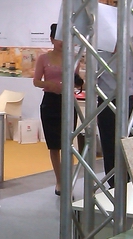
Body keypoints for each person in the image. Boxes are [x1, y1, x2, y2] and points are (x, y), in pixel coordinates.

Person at [33, 23, 81, 196]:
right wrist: (49, 84)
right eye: (59, 38)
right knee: (54, 145)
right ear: (52, 39)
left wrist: (78, 82)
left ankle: (68, 180)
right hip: (50, 102)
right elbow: (36, 81)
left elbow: (77, 80)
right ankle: (59, 181)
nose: (62, 42)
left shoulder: (73, 58)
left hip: (68, 101)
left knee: (68, 143)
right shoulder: (43, 58)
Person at [96, 49, 133, 189]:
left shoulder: (131, 55)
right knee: (109, 143)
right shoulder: (98, 55)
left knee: (130, 142)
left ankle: (131, 180)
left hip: (128, 101)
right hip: (106, 102)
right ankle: (113, 182)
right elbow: (93, 81)